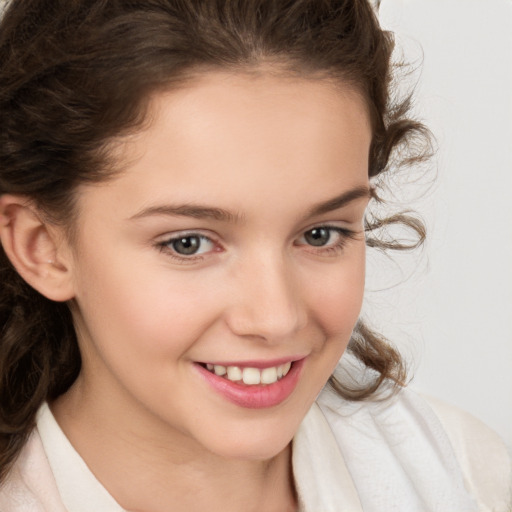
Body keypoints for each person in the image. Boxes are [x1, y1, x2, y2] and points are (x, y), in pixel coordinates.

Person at [0, 0, 510, 510]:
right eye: (189, 243)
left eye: (319, 234)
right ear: (42, 247)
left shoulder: (462, 473)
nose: (276, 318)